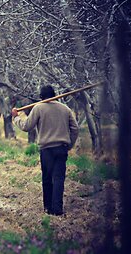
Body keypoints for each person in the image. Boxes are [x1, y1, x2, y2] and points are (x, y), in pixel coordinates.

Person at [12, 85, 79, 216]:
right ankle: (58, 209)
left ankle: (48, 208)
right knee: (59, 178)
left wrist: (16, 117)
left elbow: (26, 126)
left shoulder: (39, 108)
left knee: (47, 179)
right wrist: (69, 144)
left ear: (41, 97)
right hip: (61, 148)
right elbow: (75, 128)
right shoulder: (65, 108)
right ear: (54, 94)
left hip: (46, 149)